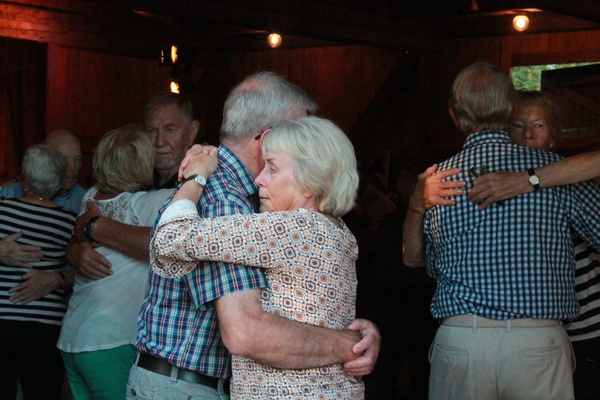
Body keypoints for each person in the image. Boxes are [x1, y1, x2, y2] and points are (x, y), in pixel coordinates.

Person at [70, 73, 378, 400]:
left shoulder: (254, 202)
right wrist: (349, 344)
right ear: (268, 136)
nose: (307, 141)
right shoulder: (226, 201)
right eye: (300, 130)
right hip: (183, 388)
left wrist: (360, 336)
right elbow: (245, 332)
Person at [407, 62, 600, 400]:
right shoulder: (556, 172)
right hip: (536, 341)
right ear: (512, 110)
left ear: (453, 115)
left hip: (462, 339)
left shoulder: (436, 182)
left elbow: (423, 263)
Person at [150, 116, 366, 398]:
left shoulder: (293, 229)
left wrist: (196, 176)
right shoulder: (340, 233)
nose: (258, 180)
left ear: (310, 182)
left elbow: (171, 238)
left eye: (272, 169)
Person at [57, 127, 174, 400]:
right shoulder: (146, 203)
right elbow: (194, 195)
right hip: (110, 341)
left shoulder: (89, 198)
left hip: (73, 338)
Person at [0, 144, 77, 400]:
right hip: (45, 325)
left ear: (25, 178)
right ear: (59, 183)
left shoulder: (2, 208)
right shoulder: (70, 221)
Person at [0, 129, 86, 307]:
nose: (72, 168)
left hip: (61, 306)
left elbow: (100, 266)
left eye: (77, 159)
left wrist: (58, 279)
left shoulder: (87, 201)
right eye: (63, 160)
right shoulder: (9, 193)